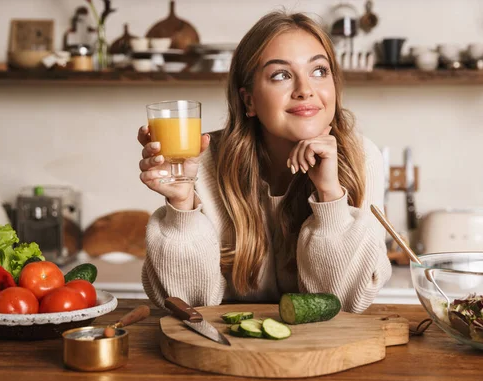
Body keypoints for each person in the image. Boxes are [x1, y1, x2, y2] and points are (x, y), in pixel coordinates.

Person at [137, 11, 391, 313]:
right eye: (281, 75)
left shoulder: (361, 158)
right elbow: (189, 306)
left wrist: (330, 196)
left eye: (319, 71)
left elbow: (346, 304)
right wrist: (181, 208)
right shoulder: (201, 163)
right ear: (249, 101)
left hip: (323, 352)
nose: (305, 89)